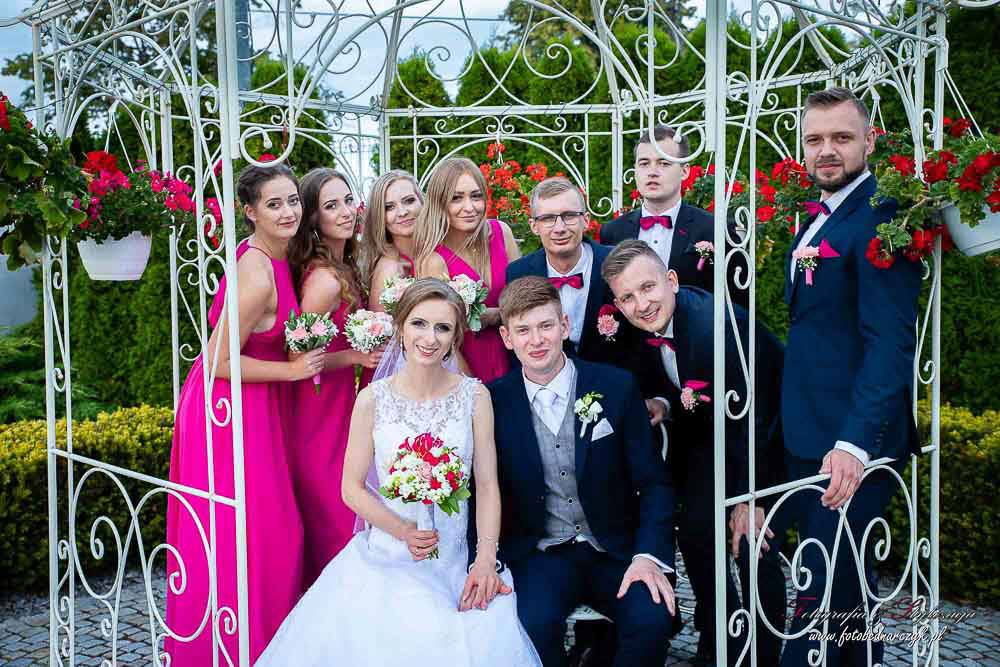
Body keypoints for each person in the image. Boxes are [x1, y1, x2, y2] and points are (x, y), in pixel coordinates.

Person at [256, 279, 542, 667]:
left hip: (455, 560)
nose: (430, 338)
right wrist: (402, 530)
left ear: (455, 336)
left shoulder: (475, 397)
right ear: (400, 326)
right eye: (419, 323)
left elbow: (488, 485)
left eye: (443, 328)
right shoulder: (372, 399)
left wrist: (485, 559)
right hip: (388, 557)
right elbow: (351, 488)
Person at [777, 86, 922, 667]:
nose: (827, 150)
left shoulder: (883, 216)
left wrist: (854, 445)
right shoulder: (822, 215)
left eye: (841, 137)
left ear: (869, 141)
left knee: (820, 596)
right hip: (809, 434)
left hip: (851, 446)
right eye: (815, 139)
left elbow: (890, 343)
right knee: (846, 597)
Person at [602, 240, 787, 667]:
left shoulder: (711, 329)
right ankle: (723, 640)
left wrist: (751, 497)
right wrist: (664, 404)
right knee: (696, 531)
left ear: (671, 280)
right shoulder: (649, 325)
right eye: (627, 297)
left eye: (648, 288)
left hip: (768, 439)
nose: (641, 305)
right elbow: (687, 385)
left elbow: (757, 416)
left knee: (753, 544)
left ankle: (764, 654)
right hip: (712, 438)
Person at [165, 163, 320, 664]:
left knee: (265, 531)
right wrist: (293, 372)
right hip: (228, 409)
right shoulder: (257, 273)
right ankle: (238, 647)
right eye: (274, 204)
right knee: (259, 532)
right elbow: (217, 361)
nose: (288, 211)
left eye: (293, 200)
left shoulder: (277, 256)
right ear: (250, 212)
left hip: (255, 401)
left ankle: (261, 644)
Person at [485, 275, 677, 667]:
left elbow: (655, 484)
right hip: (540, 555)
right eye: (523, 330)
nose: (536, 340)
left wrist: (647, 556)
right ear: (506, 337)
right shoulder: (492, 402)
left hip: (617, 550)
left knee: (652, 618)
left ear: (564, 325)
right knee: (530, 627)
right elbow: (484, 491)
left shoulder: (616, 387)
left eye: (545, 326)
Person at [286, 167, 383, 591]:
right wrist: (355, 356)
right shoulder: (324, 280)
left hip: (342, 402)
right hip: (317, 411)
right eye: (331, 206)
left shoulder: (344, 266)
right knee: (337, 516)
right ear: (313, 217)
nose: (346, 211)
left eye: (348, 200)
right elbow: (298, 358)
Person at [599, 125, 748, 310]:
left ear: (685, 171)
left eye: (664, 163)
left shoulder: (716, 230)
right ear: (635, 170)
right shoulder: (612, 232)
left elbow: (738, 307)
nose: (652, 171)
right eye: (644, 163)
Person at [414, 156, 521, 382]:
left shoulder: (501, 233)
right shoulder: (433, 260)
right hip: (466, 363)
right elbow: (440, 337)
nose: (469, 207)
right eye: (456, 198)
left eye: (476, 196)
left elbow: (523, 298)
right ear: (440, 202)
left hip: (516, 353)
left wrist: (495, 316)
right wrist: (470, 386)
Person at [505, 176, 618, 365]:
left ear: (586, 220)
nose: (560, 228)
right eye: (548, 219)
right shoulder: (518, 274)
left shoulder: (616, 264)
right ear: (534, 226)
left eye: (569, 216)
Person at [357, 169, 424, 388]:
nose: (403, 212)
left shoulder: (432, 253)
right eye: (389, 207)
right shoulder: (390, 267)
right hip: (399, 376)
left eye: (409, 201)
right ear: (380, 217)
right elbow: (385, 340)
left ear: (422, 202)